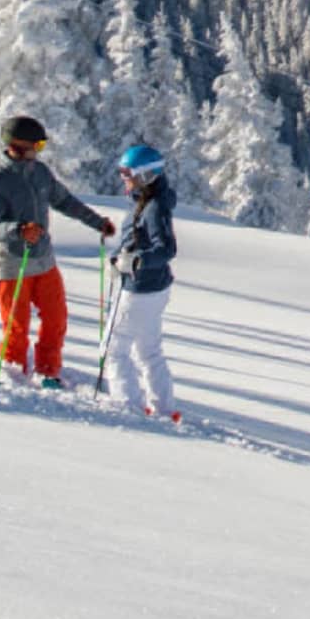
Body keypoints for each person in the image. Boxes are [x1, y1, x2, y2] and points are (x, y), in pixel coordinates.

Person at [0, 114, 115, 387]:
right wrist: (18, 229)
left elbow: (64, 200)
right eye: (36, 146)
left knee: (56, 318)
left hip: (43, 259)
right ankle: (13, 373)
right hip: (12, 263)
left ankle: (47, 371)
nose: (39, 151)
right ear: (17, 145)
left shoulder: (40, 173)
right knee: (17, 327)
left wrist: (97, 222)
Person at [103, 143, 180, 422]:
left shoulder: (153, 208)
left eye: (128, 172)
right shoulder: (147, 202)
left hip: (141, 288)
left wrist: (135, 262)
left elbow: (166, 249)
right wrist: (119, 260)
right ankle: (164, 408)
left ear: (146, 174)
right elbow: (135, 241)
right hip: (152, 286)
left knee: (114, 348)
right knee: (149, 348)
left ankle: (127, 407)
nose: (123, 177)